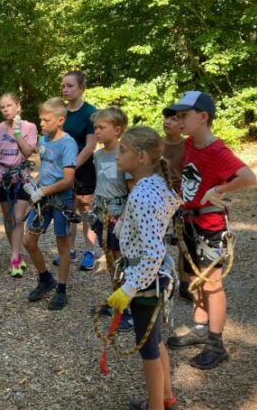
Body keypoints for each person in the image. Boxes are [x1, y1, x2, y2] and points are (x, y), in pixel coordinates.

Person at [163, 91, 257, 370]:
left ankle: (216, 344)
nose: (179, 121)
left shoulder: (217, 150)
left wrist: (221, 189)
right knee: (196, 278)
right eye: (177, 116)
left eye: (184, 116)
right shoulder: (191, 143)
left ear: (203, 117)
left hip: (210, 227)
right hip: (190, 221)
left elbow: (248, 177)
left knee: (212, 283)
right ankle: (200, 327)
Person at [106, 126, 181, 410]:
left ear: (140, 157)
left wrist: (129, 287)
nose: (117, 154)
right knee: (156, 339)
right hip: (150, 276)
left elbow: (153, 252)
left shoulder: (142, 195)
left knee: (148, 347)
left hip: (146, 279)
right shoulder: (154, 184)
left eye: (122, 150)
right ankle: (165, 398)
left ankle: (156, 406)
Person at [22, 98, 78, 310]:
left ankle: (61, 290)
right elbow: (47, 169)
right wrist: (35, 184)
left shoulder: (68, 143)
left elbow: (67, 179)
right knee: (29, 240)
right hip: (42, 198)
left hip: (61, 199)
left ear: (60, 120)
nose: (42, 124)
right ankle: (45, 278)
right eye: (40, 120)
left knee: (62, 245)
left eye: (46, 120)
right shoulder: (44, 140)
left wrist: (43, 190)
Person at [88, 107, 134, 330]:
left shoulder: (124, 155)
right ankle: (116, 298)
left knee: (122, 259)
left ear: (117, 130)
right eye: (95, 127)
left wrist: (126, 217)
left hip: (119, 215)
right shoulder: (97, 155)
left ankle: (129, 308)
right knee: (109, 256)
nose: (96, 131)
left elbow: (132, 188)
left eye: (101, 127)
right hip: (102, 213)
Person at [0, 93, 38, 277]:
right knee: (9, 218)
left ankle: (15, 258)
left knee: (18, 218)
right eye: (2, 107)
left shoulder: (30, 127)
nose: (6, 109)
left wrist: (17, 132)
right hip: (3, 177)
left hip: (22, 176)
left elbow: (28, 152)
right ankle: (16, 253)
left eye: (9, 105)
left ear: (18, 106)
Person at [56, 71, 98, 270]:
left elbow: (90, 146)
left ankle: (89, 252)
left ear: (81, 88)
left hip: (84, 169)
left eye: (70, 86)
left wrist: (72, 166)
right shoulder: (61, 113)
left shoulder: (91, 113)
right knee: (68, 210)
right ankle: (70, 251)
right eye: (63, 86)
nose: (65, 89)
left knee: (86, 210)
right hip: (64, 170)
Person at [161, 108, 191, 302]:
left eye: (173, 119)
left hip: (182, 199)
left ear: (182, 124)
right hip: (160, 197)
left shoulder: (189, 145)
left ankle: (185, 283)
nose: (167, 122)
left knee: (183, 241)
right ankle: (159, 279)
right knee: (157, 239)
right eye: (166, 118)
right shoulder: (156, 145)